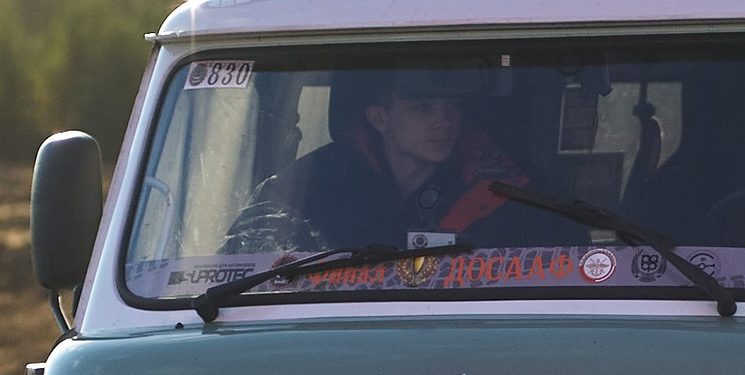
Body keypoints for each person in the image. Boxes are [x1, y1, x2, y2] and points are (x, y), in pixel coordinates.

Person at [225, 87, 551, 252]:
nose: (445, 121)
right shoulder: (311, 186)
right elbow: (242, 262)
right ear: (380, 118)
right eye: (424, 108)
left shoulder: (499, 187)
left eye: (452, 108)